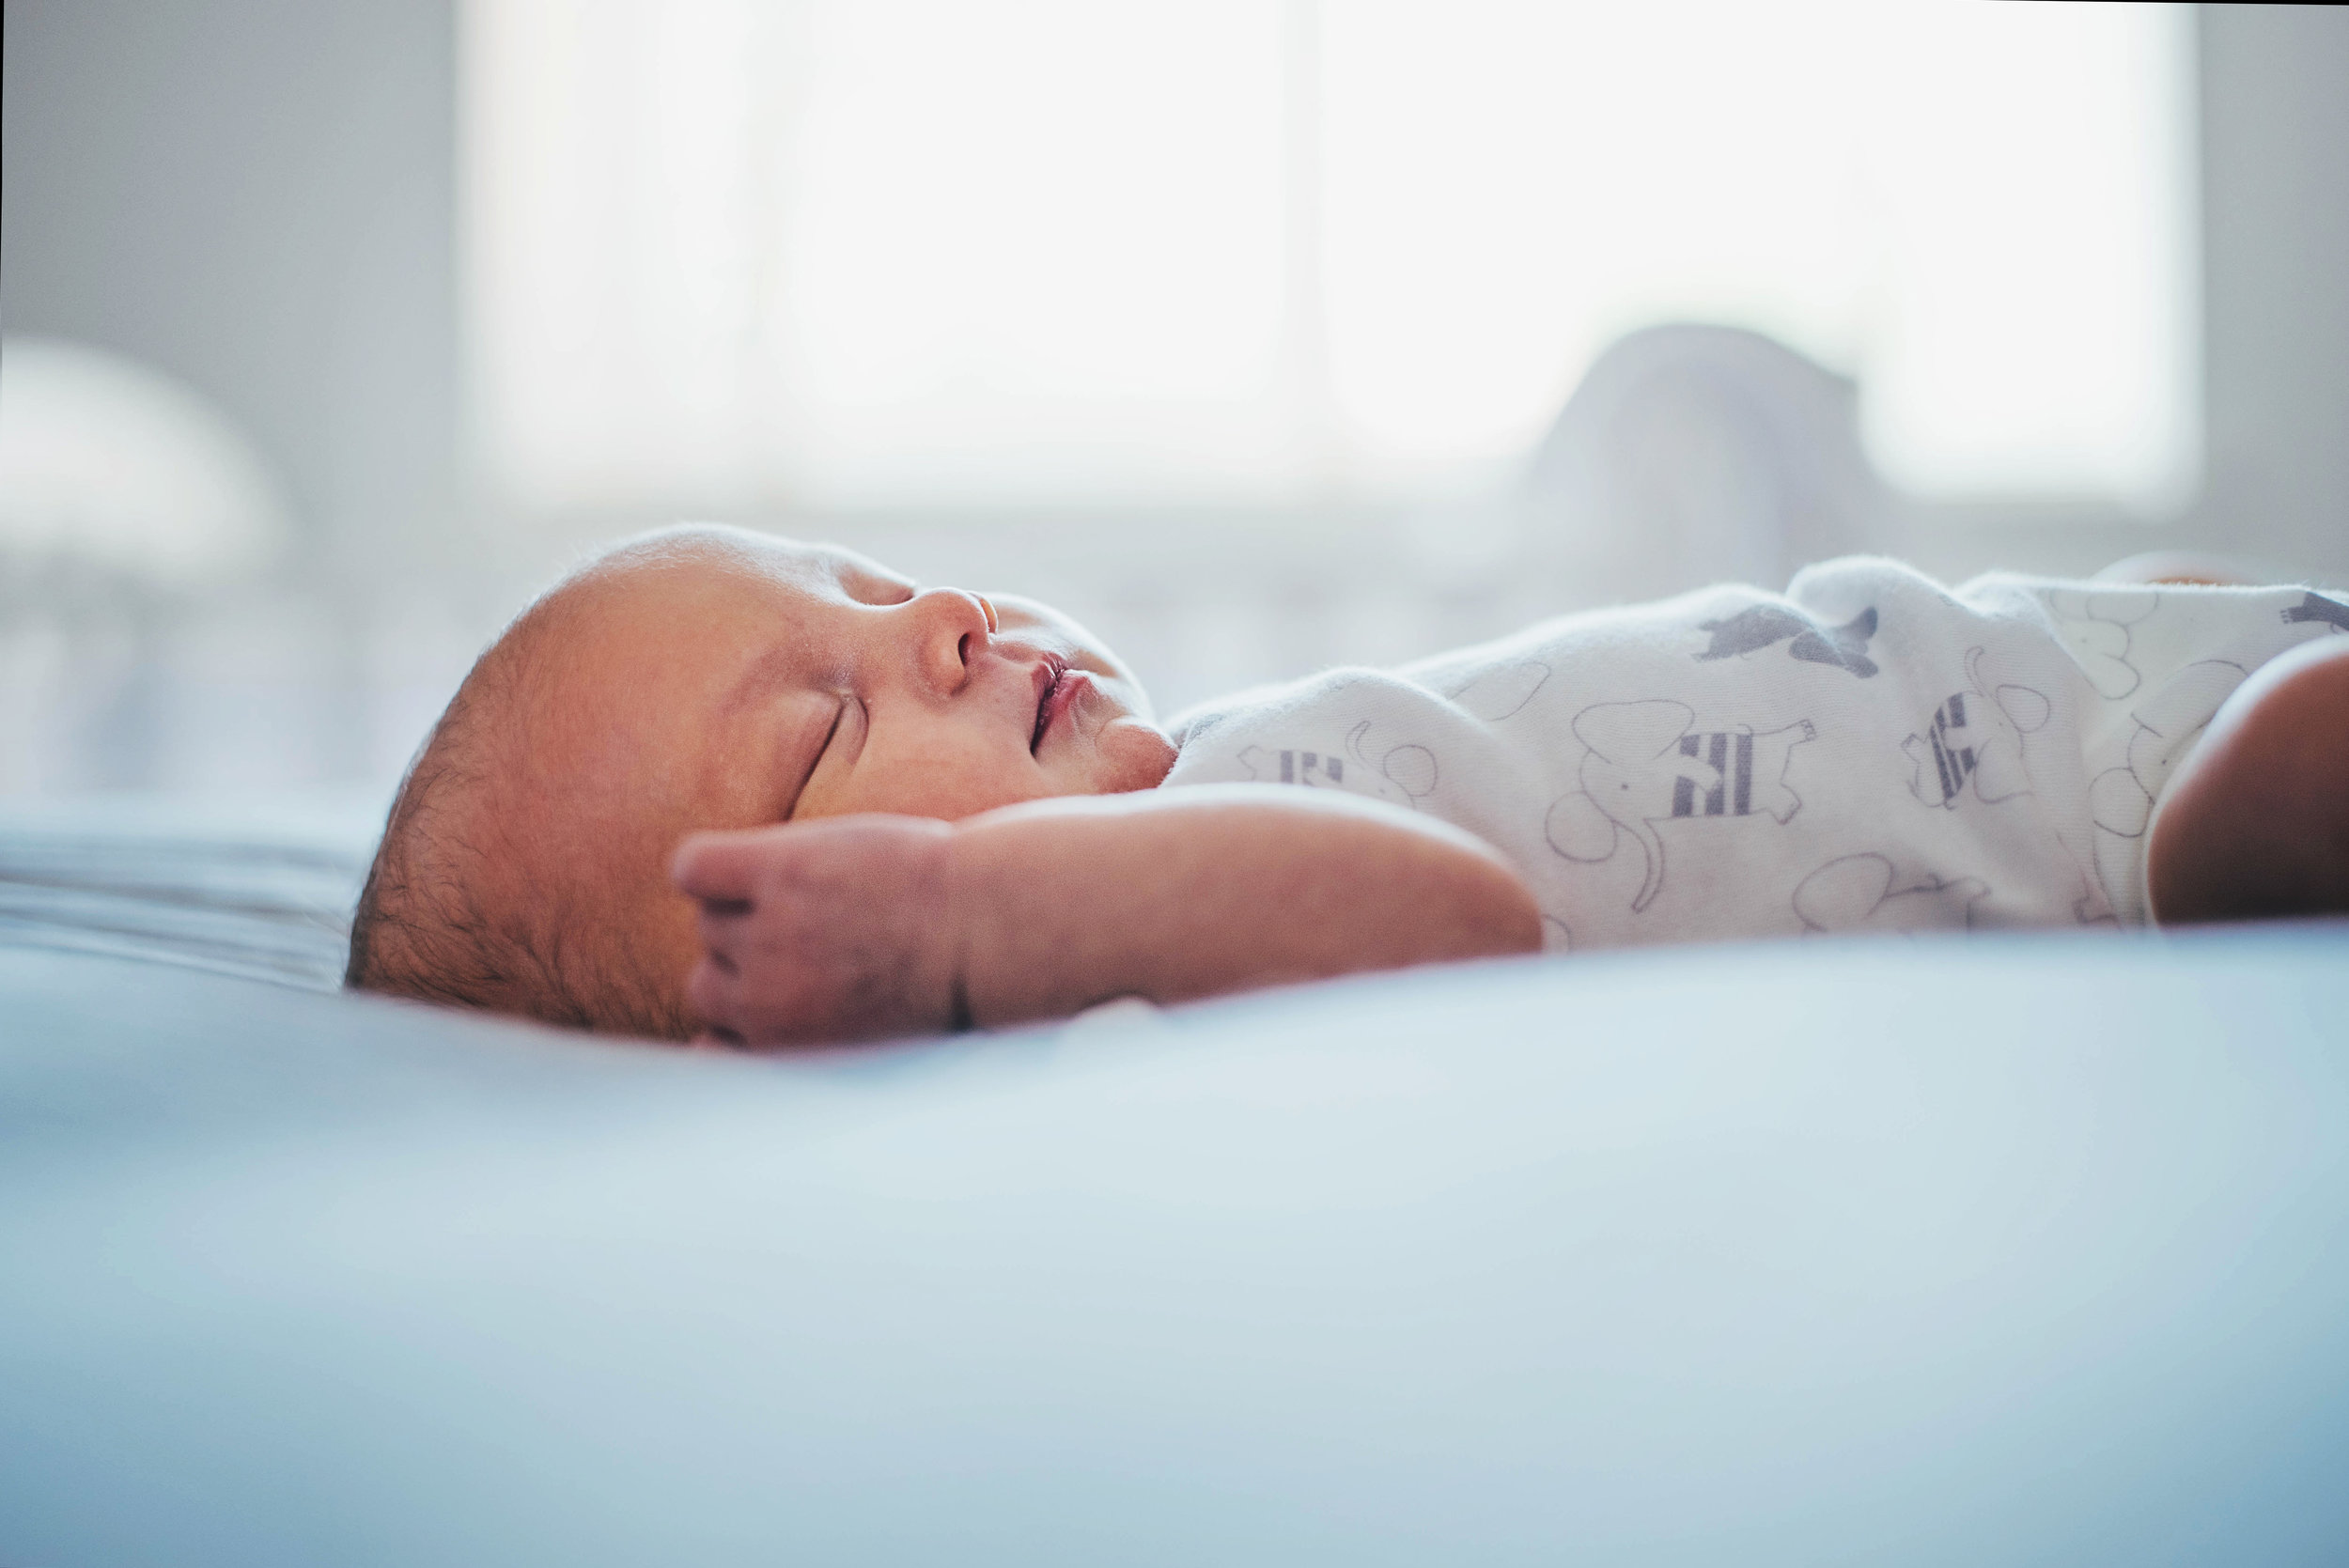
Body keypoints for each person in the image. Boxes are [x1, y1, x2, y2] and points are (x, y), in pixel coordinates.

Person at [346, 524, 2349, 1045]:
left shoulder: (1175, 775)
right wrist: (967, 935)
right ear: (788, 976)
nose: (943, 614)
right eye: (823, 728)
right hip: (2138, 815)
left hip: (2042, 665)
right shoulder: (1106, 945)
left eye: (872, 581)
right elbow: (1449, 916)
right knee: (2277, 789)